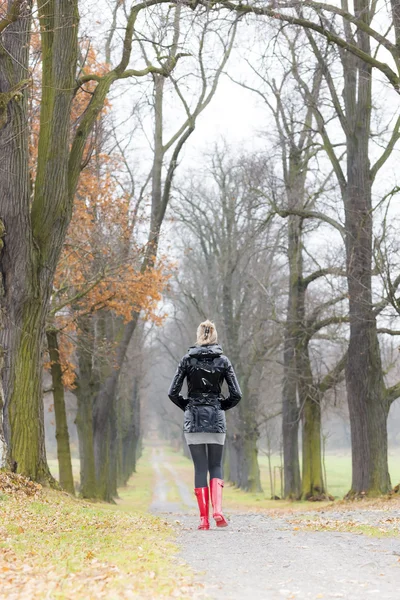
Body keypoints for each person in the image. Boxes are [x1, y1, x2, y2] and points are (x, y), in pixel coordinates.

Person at [168, 320, 242, 530]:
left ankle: (203, 519)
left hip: (194, 419)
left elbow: (172, 392)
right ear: (215, 335)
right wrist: (219, 407)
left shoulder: (186, 360)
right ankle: (218, 510)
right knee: (216, 465)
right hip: (216, 419)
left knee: (200, 468)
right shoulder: (223, 361)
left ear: (198, 335)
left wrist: (188, 406)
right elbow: (236, 394)